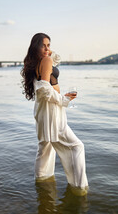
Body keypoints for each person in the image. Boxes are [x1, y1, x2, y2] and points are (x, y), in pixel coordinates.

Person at [21, 33, 88, 196]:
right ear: (35, 46)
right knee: (77, 146)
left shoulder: (39, 61)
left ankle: (42, 182)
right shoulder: (45, 60)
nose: (47, 49)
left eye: (49, 45)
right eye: (43, 45)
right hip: (50, 110)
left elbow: (46, 84)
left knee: (45, 148)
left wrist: (48, 52)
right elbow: (44, 89)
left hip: (43, 109)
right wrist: (64, 99)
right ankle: (79, 188)